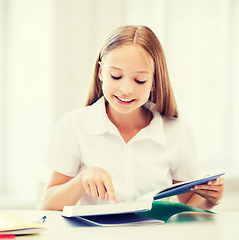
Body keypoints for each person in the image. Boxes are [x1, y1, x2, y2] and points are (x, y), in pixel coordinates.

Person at [40, 25, 224, 211]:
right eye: (116, 76)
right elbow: (47, 206)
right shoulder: (73, 125)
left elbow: (189, 208)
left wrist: (209, 199)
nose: (126, 89)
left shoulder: (178, 132)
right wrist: (82, 179)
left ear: (154, 81)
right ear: (101, 72)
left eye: (139, 80)